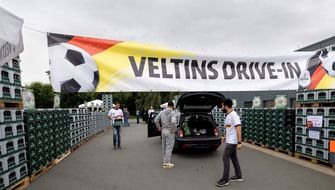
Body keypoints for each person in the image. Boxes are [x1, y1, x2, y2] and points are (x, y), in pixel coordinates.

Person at [216, 98, 243, 187]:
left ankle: (225, 179)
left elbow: (238, 129)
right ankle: (238, 176)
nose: (221, 108)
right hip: (230, 139)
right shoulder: (228, 116)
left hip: (233, 141)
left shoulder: (234, 116)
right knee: (233, 157)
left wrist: (239, 142)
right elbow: (229, 129)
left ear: (226, 106)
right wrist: (224, 136)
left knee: (225, 157)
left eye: (222, 106)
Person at [154, 101, 177, 169]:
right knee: (169, 147)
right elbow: (173, 121)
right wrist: (173, 128)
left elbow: (156, 120)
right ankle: (166, 163)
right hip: (170, 131)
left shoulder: (162, 112)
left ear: (167, 105)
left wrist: (158, 127)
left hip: (163, 131)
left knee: (164, 146)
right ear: (172, 106)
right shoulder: (173, 112)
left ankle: (165, 159)